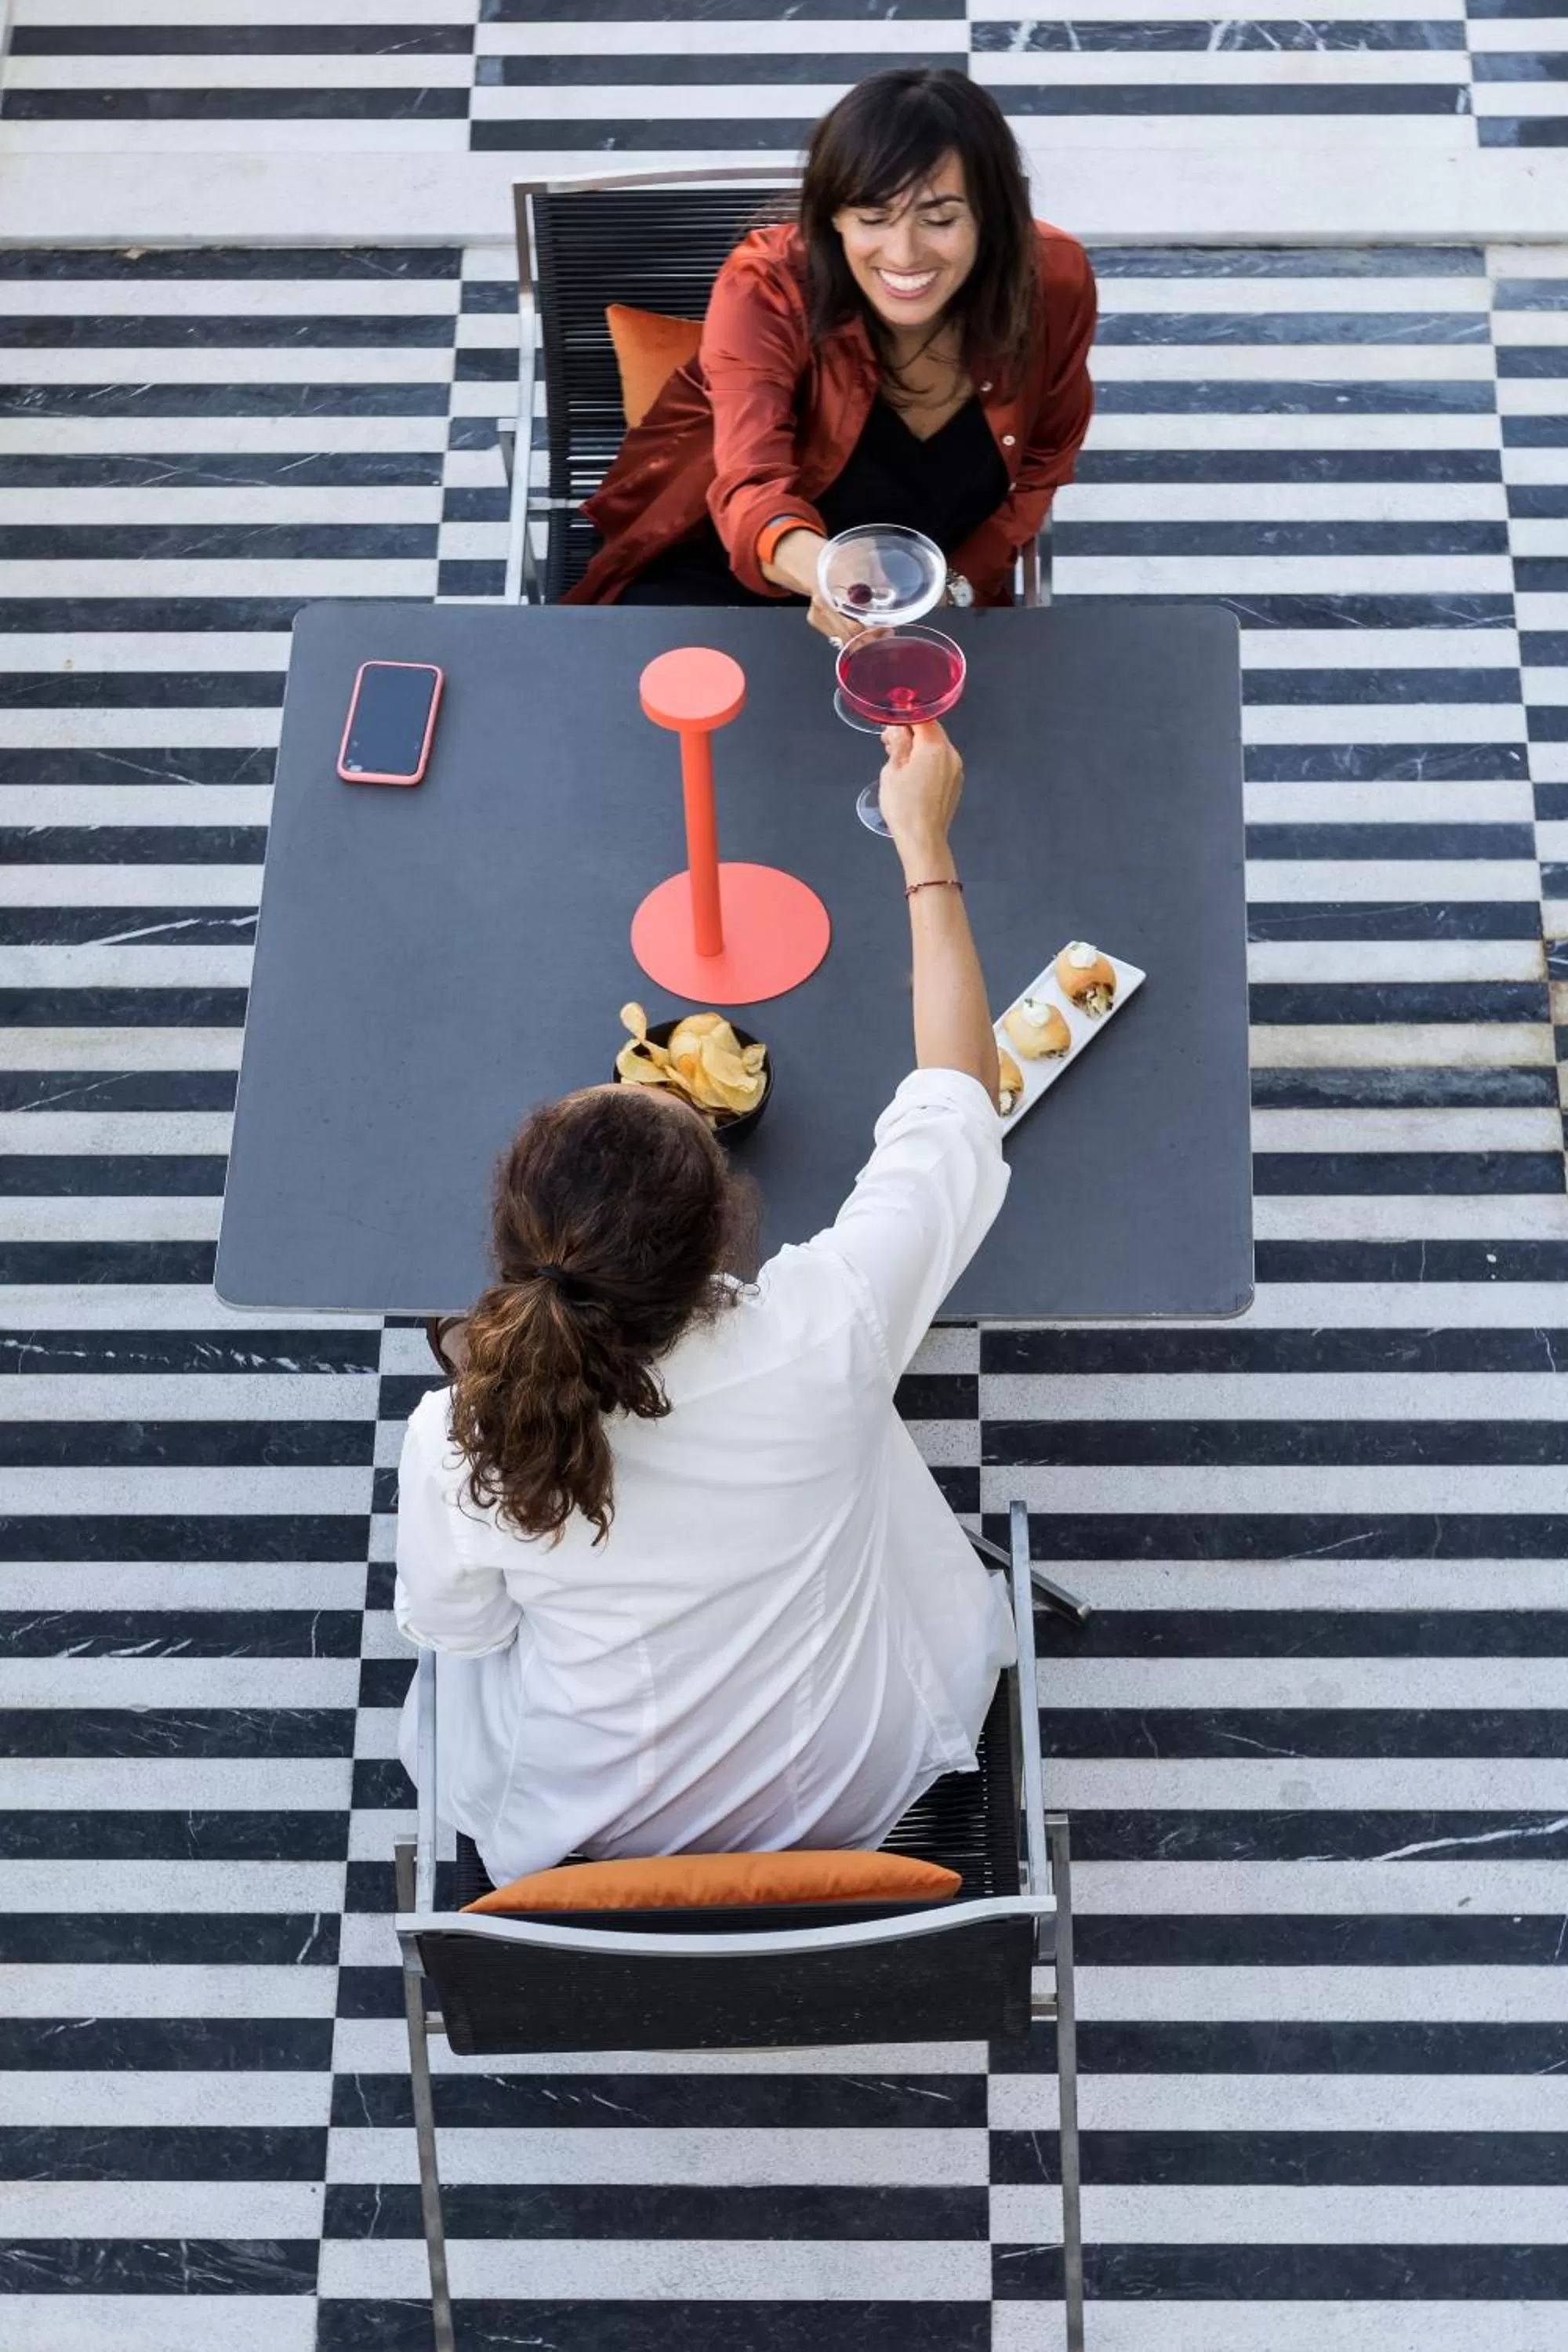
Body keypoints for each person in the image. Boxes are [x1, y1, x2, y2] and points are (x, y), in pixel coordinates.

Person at [394, 721, 1016, 1886]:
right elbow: (954, 1107)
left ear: (514, 1245)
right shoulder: (827, 1327)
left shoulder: (453, 1438)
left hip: (589, 1844)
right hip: (853, 1803)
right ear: (725, 1228)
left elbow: (467, 1629)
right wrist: (924, 845)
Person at [565, 66, 1095, 631]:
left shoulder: (1052, 280)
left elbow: (1042, 464)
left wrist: (957, 585)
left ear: (992, 215)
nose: (904, 254)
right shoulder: (766, 284)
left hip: (917, 589)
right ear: (833, 216)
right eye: (873, 218)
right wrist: (827, 570)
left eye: (940, 219)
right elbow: (748, 479)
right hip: (723, 559)